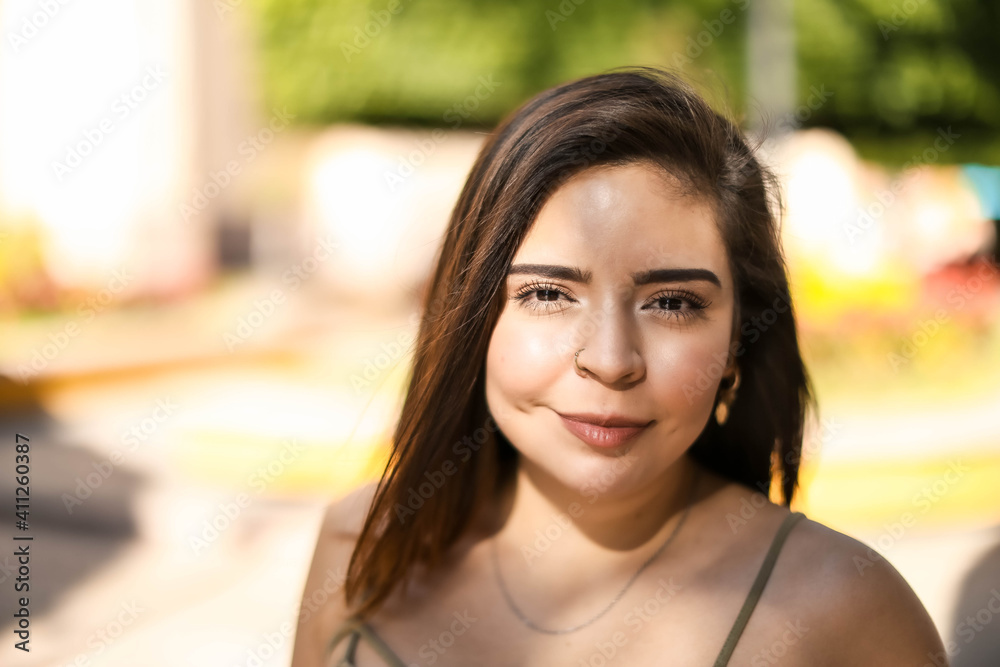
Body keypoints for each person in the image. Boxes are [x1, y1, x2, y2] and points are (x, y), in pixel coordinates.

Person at [291, 66, 947, 666]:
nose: (609, 361)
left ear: (738, 343)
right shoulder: (360, 545)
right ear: (471, 315)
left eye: (672, 302)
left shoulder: (846, 609)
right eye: (547, 294)